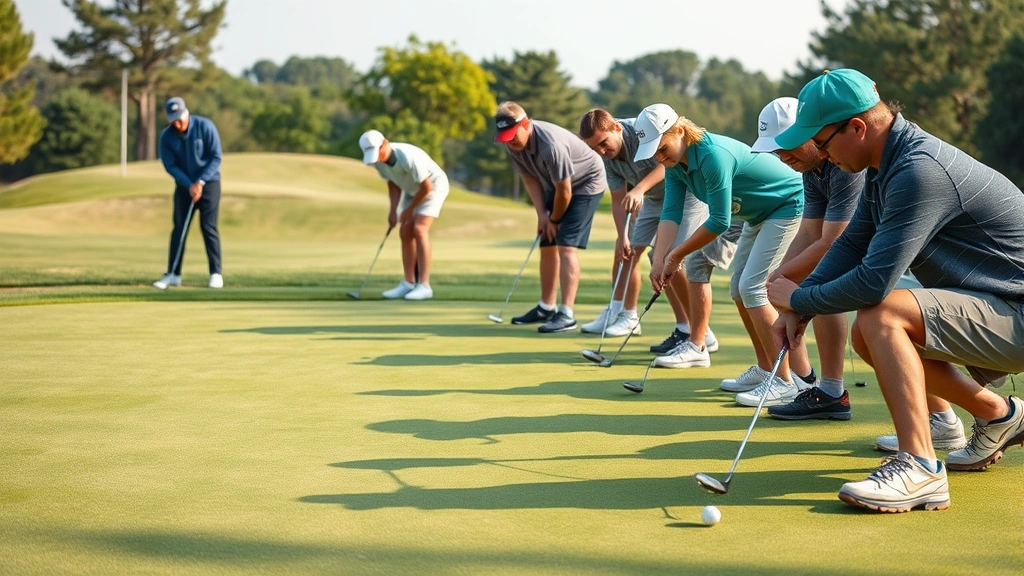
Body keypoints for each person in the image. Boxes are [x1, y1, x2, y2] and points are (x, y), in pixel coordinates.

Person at [768, 68, 1024, 513]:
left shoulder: (918, 170)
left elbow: (873, 281)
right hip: (1000, 305)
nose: (822, 156)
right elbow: (852, 243)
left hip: (1016, 312)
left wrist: (797, 299)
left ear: (857, 128)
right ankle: (998, 414)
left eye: (823, 143)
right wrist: (802, 307)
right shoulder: (887, 165)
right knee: (865, 333)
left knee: (881, 313)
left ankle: (920, 468)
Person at [635, 103, 805, 392]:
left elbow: (719, 221)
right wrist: (659, 259)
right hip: (756, 215)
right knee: (738, 288)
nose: (659, 158)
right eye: (654, 153)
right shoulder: (676, 165)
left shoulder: (712, 155)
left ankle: (784, 381)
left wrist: (675, 255)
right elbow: (671, 213)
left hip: (787, 204)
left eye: (662, 148)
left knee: (752, 288)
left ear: (679, 131)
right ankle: (766, 368)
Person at [745, 96, 865, 421]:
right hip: (860, 247)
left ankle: (941, 418)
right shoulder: (811, 171)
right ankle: (831, 392)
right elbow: (810, 233)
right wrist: (780, 277)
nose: (782, 157)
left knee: (872, 323)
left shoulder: (842, 168)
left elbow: (833, 242)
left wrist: (788, 288)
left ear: (810, 134)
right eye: (776, 150)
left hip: (903, 255)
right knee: (819, 289)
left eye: (787, 146)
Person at [577, 108, 726, 353]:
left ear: (617, 128)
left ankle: (702, 333)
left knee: (671, 258)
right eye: (595, 148)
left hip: (686, 192)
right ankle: (670, 324)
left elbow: (666, 162)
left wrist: (638, 189)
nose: (601, 151)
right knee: (630, 253)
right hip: (655, 199)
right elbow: (618, 199)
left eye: (603, 143)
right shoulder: (606, 156)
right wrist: (622, 236)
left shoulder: (642, 131)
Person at [496, 101, 606, 333]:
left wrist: (554, 220)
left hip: (587, 182)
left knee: (565, 245)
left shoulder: (550, 146)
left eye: (513, 134)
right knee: (547, 241)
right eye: (505, 137)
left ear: (525, 124)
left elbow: (565, 192)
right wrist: (542, 216)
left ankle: (566, 314)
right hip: (555, 185)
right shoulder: (512, 145)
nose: (510, 141)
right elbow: (529, 179)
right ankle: (546, 307)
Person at [359, 130, 449, 301]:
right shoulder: (378, 162)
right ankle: (408, 282)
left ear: (385, 143)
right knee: (405, 232)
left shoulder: (407, 156)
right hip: (412, 190)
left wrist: (408, 210)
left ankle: (424, 285)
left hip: (434, 186)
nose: (376, 157)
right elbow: (393, 184)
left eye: (377, 152)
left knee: (419, 228)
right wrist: (393, 211)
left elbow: (426, 188)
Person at [153, 97, 224, 290]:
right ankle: (173, 274)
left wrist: (200, 181)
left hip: (209, 183)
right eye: (173, 120)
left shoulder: (205, 126)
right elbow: (170, 165)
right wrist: (189, 184)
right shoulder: (167, 137)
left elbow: (216, 157)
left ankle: (215, 273)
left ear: (186, 113)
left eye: (179, 119)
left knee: (208, 227)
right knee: (179, 228)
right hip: (184, 186)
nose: (177, 124)